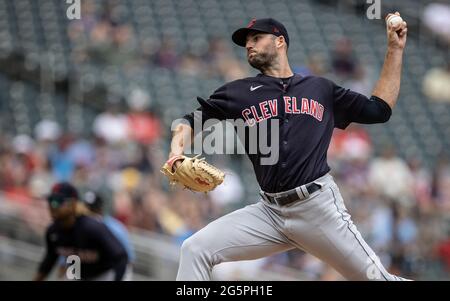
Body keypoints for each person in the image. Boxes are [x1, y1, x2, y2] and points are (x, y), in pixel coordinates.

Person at [166, 13, 411, 281]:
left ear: (280, 41)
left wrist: (394, 49)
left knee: (378, 279)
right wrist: (175, 151)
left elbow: (379, 110)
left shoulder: (320, 88)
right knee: (194, 249)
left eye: (256, 38)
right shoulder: (238, 92)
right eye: (247, 41)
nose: (249, 45)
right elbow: (191, 121)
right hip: (269, 212)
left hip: (317, 208)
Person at [33, 183, 129, 281]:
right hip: (77, 271)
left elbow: (121, 257)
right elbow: (49, 260)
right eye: (50, 201)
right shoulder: (53, 231)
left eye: (58, 201)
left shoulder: (91, 227)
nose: (52, 206)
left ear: (73, 204)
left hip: (105, 273)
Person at [83, 190, 136, 274]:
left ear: (100, 210)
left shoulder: (116, 229)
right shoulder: (77, 227)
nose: (89, 214)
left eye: (93, 210)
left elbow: (129, 261)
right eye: (86, 210)